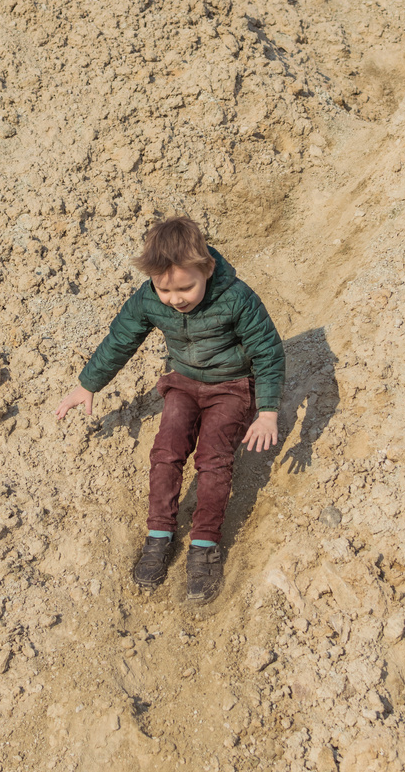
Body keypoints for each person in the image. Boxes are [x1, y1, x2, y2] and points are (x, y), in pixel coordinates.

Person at [55, 215, 285, 603]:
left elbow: (267, 352)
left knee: (213, 458)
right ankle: (159, 535)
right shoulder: (148, 299)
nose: (175, 299)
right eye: (165, 290)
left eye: (185, 288)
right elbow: (121, 339)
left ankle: (205, 544)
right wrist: (87, 384)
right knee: (166, 452)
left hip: (231, 387)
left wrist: (267, 412)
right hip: (183, 382)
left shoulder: (236, 297)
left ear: (208, 269)